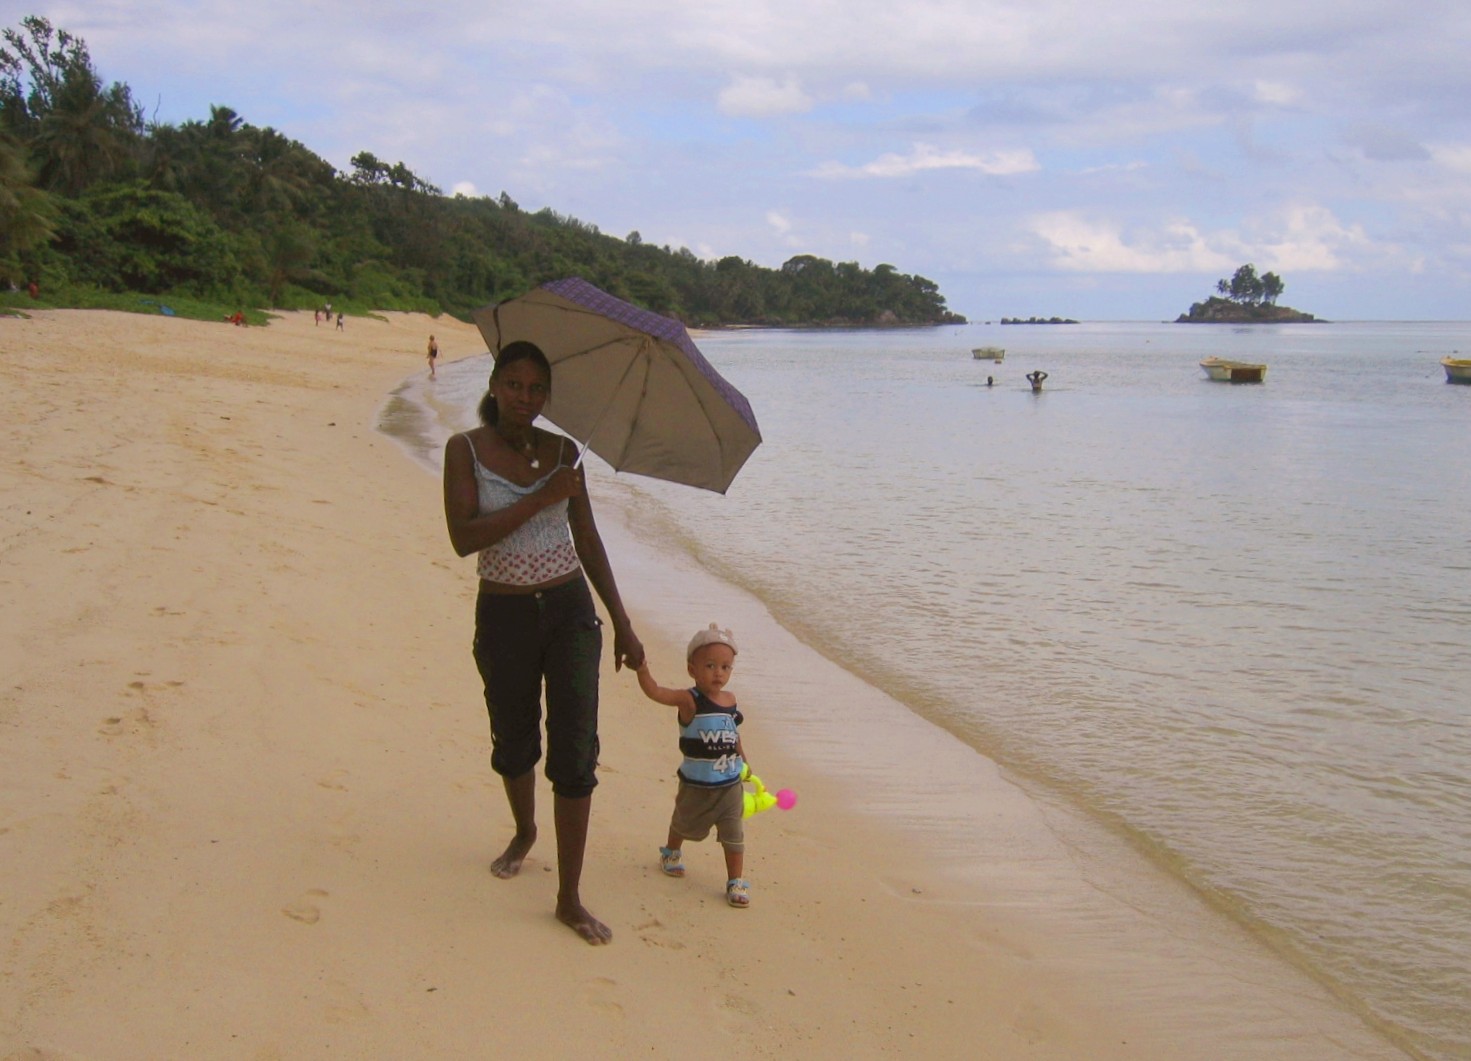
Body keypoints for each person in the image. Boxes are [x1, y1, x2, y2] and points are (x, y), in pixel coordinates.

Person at [442, 340, 644, 945]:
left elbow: (588, 541)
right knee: (513, 739)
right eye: (514, 385)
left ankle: (569, 897)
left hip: (569, 611)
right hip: (504, 613)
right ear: (495, 385)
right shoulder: (464, 450)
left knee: (576, 749)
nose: (524, 398)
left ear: (547, 396)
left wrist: (623, 621)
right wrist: (539, 498)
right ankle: (525, 829)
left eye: (536, 389)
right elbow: (463, 538)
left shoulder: (564, 454)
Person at [634, 624, 751, 908]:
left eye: (725, 667)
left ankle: (735, 881)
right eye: (710, 666)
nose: (718, 673)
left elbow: (733, 733)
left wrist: (744, 761)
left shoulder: (730, 700)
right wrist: (641, 669)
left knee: (734, 834)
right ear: (692, 669)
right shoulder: (689, 700)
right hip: (696, 785)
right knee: (683, 822)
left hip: (729, 785)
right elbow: (656, 692)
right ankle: (671, 852)